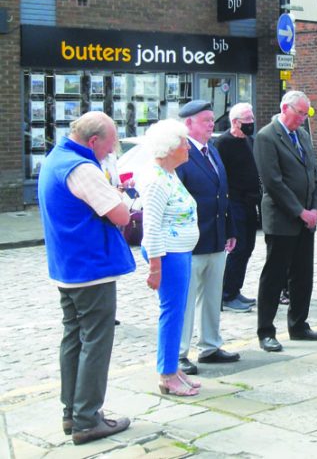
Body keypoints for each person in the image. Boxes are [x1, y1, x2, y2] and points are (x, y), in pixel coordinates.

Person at [38, 111, 135, 445]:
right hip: (90, 267)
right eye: (108, 146)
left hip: (66, 267)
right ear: (93, 141)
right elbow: (120, 214)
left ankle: (72, 412)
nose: (110, 152)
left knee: (74, 338)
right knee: (96, 341)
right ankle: (88, 419)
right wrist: (121, 195)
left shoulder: (56, 157)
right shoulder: (83, 168)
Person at [253, 90, 317, 352]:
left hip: (307, 219)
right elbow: (273, 182)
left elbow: (314, 174)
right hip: (282, 220)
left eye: (306, 114)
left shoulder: (303, 135)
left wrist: (316, 208)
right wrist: (299, 211)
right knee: (274, 276)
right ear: (285, 108)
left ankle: (299, 325)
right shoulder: (266, 137)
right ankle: (266, 331)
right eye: (299, 113)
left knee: (303, 275)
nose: (302, 119)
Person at [136, 119, 201, 397]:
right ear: (169, 147)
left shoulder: (169, 174)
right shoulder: (155, 179)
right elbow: (151, 226)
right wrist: (154, 267)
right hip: (167, 254)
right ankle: (166, 373)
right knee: (172, 313)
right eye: (183, 142)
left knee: (178, 311)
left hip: (178, 251)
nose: (188, 147)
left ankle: (172, 367)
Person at [176, 100, 240, 376]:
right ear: (188, 123)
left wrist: (230, 228)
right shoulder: (180, 153)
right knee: (186, 300)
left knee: (213, 296)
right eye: (205, 120)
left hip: (216, 237)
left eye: (212, 120)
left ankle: (210, 346)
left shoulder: (212, 152)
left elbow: (223, 194)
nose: (211, 125)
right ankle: (179, 353)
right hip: (191, 241)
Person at [215, 102, 261, 313]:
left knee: (248, 247)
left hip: (251, 201)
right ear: (235, 122)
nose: (251, 124)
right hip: (235, 202)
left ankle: (235, 288)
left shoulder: (249, 141)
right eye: (247, 121)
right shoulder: (224, 143)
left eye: (252, 120)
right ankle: (226, 294)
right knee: (238, 247)